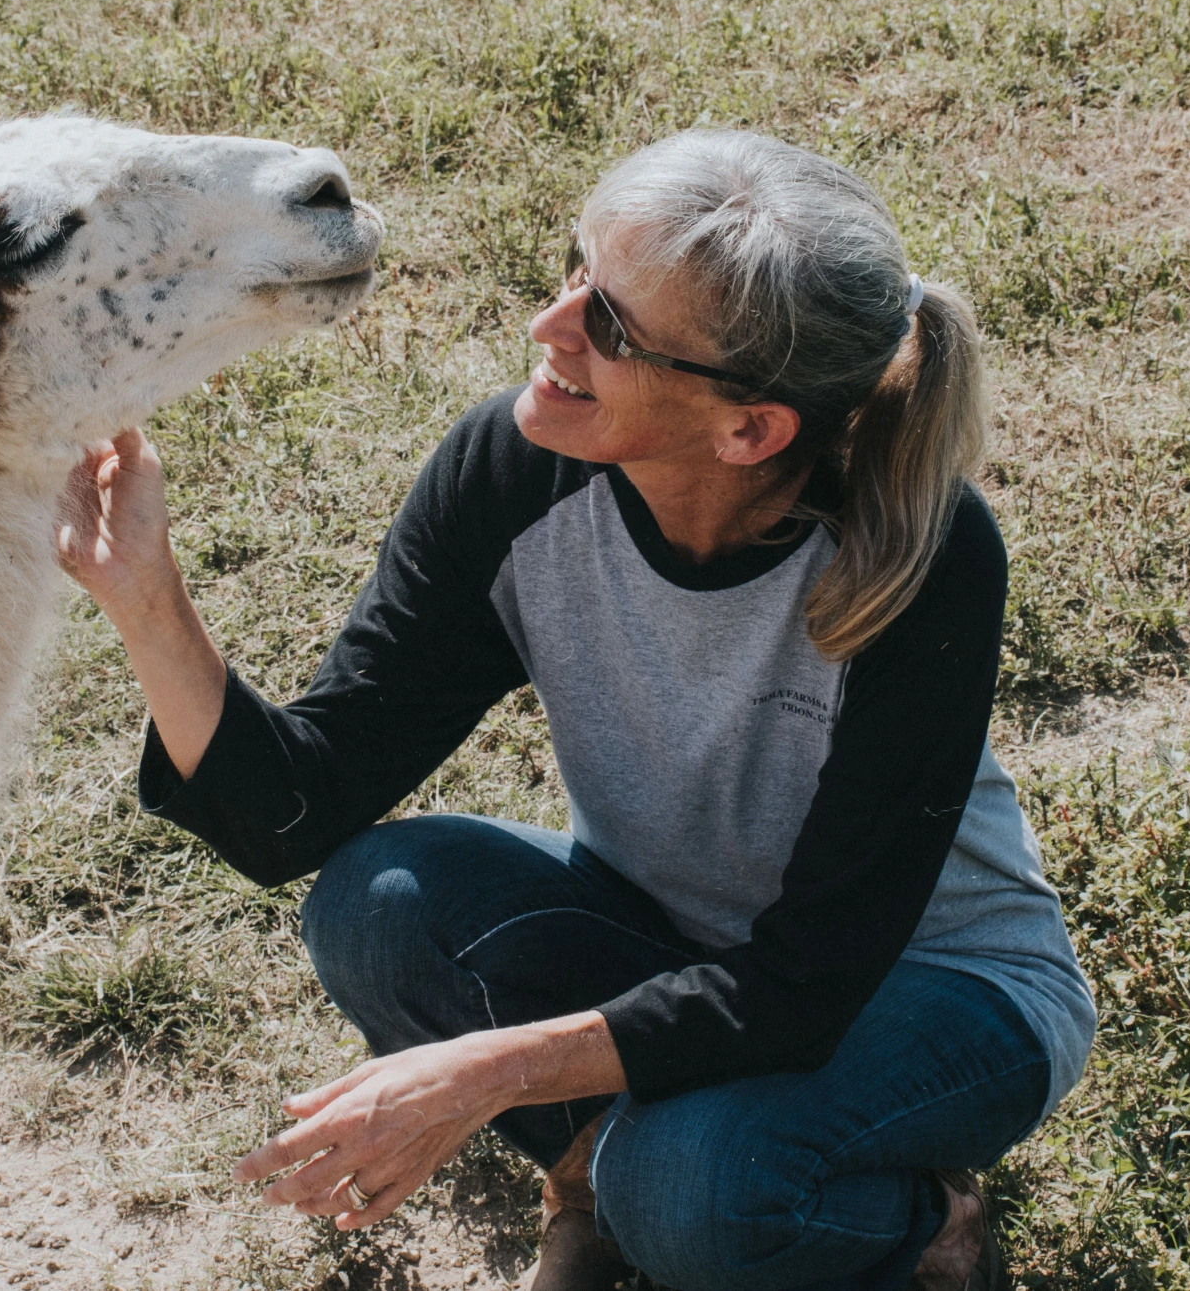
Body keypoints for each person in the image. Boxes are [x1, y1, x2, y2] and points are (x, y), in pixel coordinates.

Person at [54, 130, 1096, 1291]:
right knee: (375, 906)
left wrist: (481, 1072)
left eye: (608, 324)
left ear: (749, 428)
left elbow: (807, 979)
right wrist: (145, 597)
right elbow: (298, 812)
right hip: (676, 932)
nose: (547, 328)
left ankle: (921, 1229)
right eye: (574, 272)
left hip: (932, 989)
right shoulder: (513, 470)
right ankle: (596, 1182)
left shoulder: (922, 555)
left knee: (692, 1189)